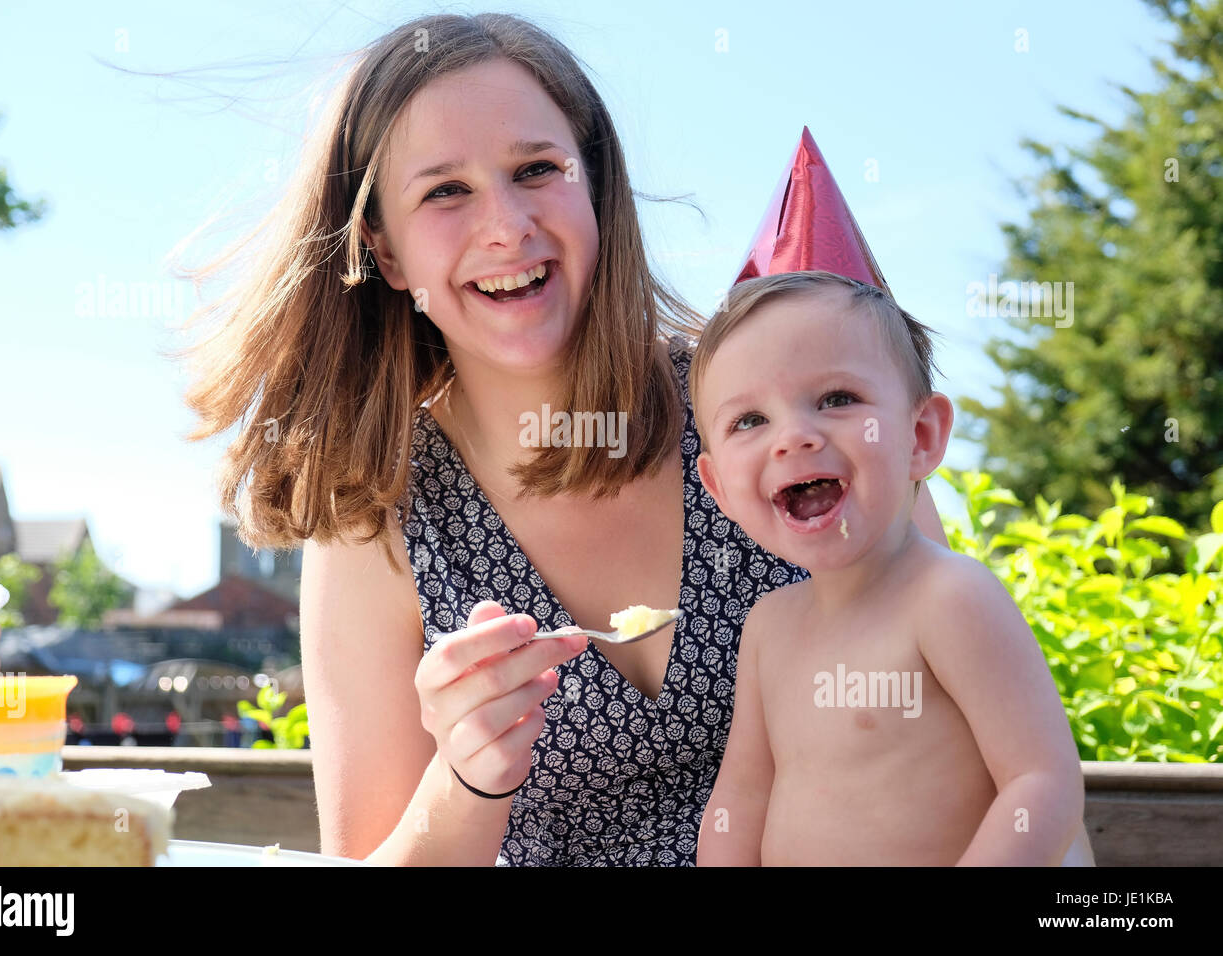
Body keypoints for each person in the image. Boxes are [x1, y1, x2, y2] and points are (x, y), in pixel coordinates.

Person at [172, 12, 1091, 865]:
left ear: (596, 188)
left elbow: (1010, 766)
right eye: (446, 191)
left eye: (537, 170)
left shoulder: (783, 411)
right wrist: (466, 775)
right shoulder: (376, 513)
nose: (507, 225)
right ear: (386, 250)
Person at [691, 272, 1086, 864]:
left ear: (921, 436)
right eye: (749, 421)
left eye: (836, 400)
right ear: (718, 487)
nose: (794, 437)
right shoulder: (769, 628)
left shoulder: (948, 597)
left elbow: (1041, 782)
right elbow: (743, 796)